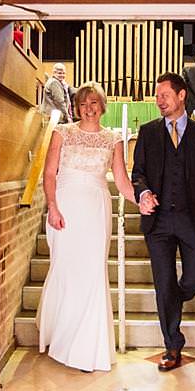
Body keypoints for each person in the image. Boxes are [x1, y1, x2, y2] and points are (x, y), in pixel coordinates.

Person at [36, 82, 136, 372]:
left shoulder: (114, 139)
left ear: (102, 106)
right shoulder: (62, 133)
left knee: (93, 273)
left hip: (96, 207)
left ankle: (87, 348)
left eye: (94, 103)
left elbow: (121, 180)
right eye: (83, 104)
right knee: (66, 270)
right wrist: (52, 206)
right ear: (76, 107)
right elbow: (49, 173)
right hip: (65, 206)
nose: (89, 108)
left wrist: (142, 199)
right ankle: (60, 337)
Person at [132, 73, 195, 371]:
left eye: (164, 95)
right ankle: (172, 345)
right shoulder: (148, 132)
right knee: (163, 284)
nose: (158, 100)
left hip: (192, 220)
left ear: (181, 95)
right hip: (158, 224)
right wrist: (143, 192)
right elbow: (138, 172)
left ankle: (174, 297)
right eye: (157, 96)